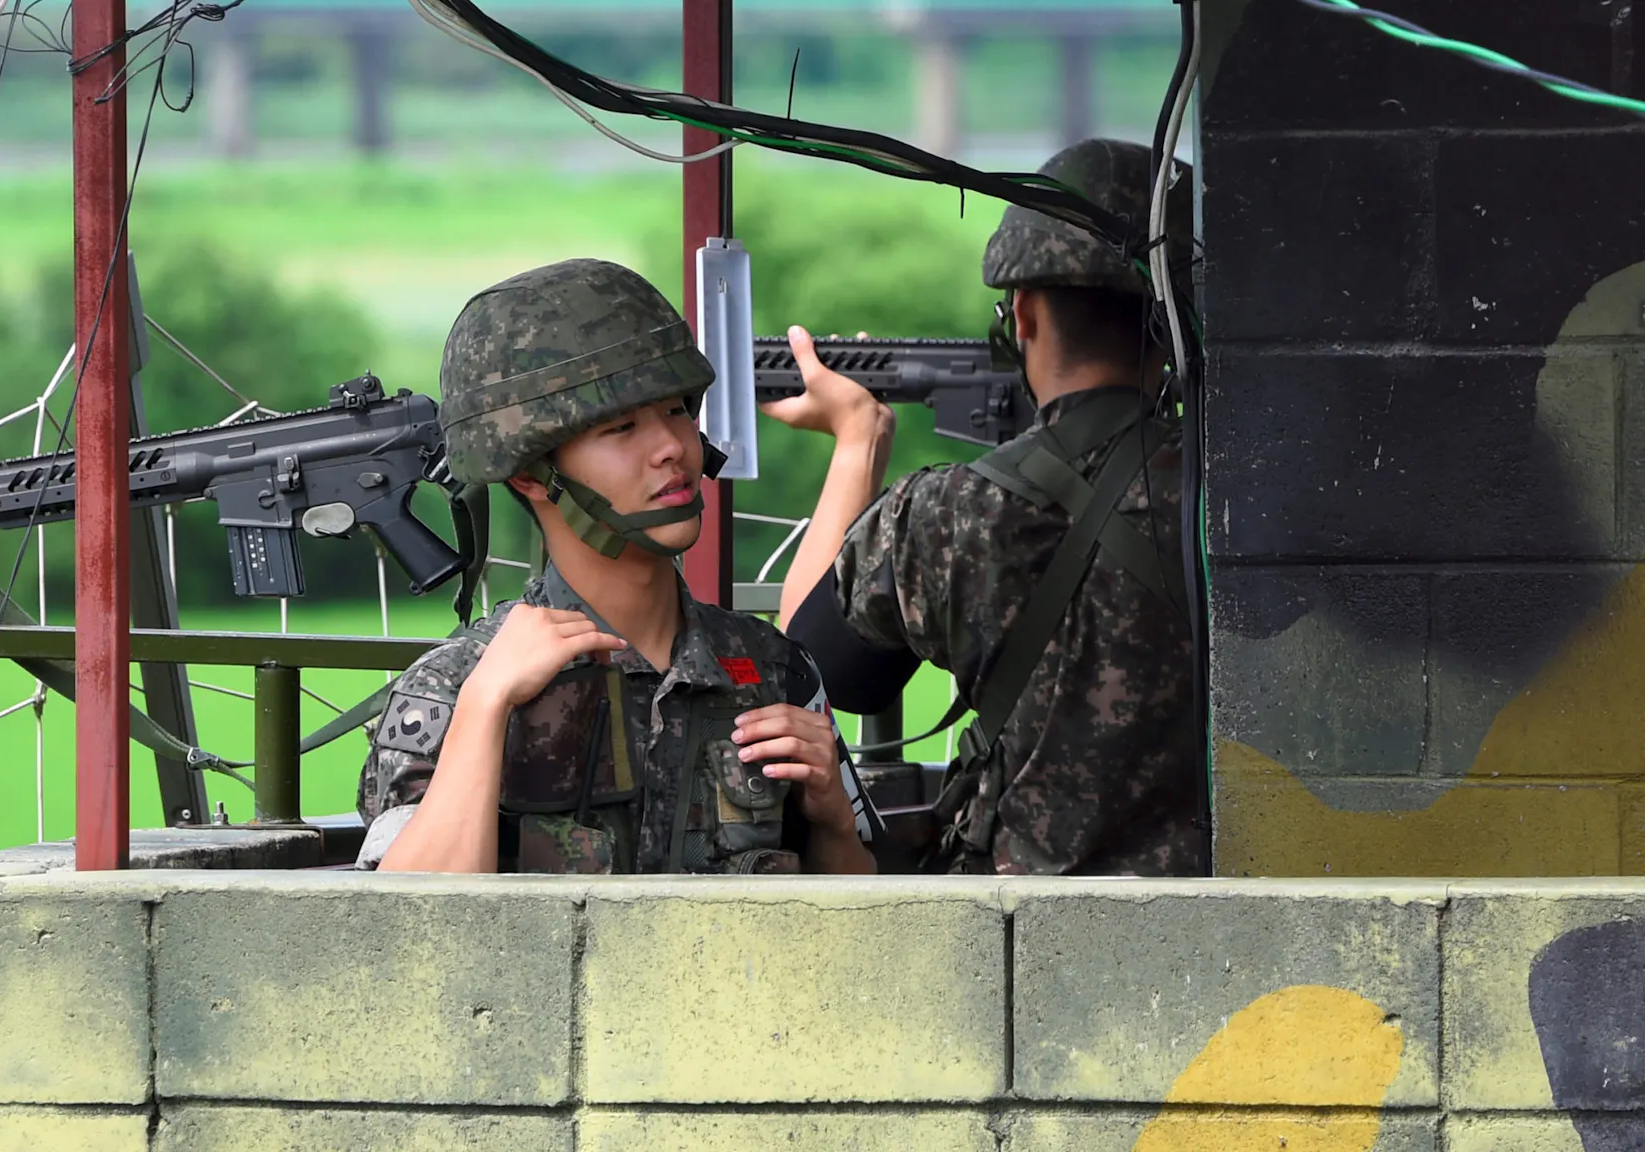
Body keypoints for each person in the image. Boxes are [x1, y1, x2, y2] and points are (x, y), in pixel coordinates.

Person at [766, 137, 1208, 877]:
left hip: (1020, 930)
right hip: (1240, 913)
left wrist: (857, 441)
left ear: (1023, 314)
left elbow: (810, 671)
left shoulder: (945, 516)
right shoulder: (1239, 505)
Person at [355, 257, 878, 875]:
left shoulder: (775, 669)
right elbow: (412, 932)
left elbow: (857, 927)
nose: (671, 449)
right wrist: (485, 706)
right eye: (623, 427)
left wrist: (833, 823)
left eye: (677, 411)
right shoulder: (454, 687)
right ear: (528, 472)